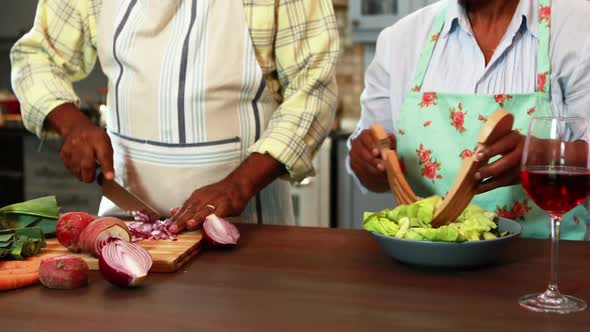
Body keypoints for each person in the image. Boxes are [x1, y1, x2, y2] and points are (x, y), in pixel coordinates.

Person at [11, 0, 339, 233]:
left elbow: (314, 89)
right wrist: (73, 125)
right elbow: (37, 56)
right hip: (128, 228)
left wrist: (238, 186)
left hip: (249, 229)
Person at [348, 0, 590, 240]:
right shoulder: (399, 40)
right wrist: (367, 162)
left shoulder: (578, 27)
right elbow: (374, 174)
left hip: (544, 259)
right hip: (429, 261)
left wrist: (543, 157)